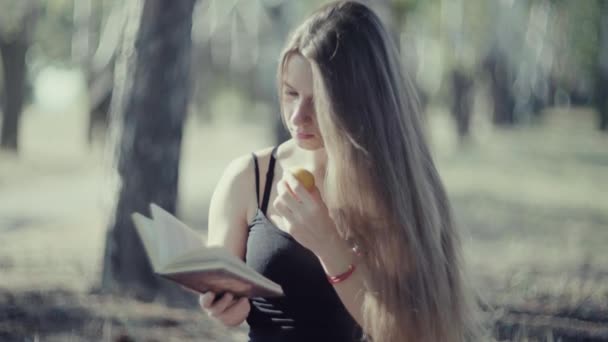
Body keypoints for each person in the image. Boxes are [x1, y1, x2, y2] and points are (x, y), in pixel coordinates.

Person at [200, 1, 480, 341]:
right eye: (291, 93)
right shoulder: (249, 178)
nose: (297, 116)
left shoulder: (393, 192)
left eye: (317, 101)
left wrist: (328, 244)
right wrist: (223, 306)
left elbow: (408, 333)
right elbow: (222, 295)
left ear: (359, 101)